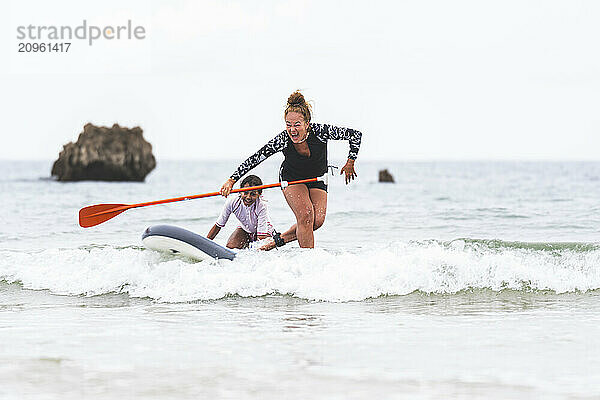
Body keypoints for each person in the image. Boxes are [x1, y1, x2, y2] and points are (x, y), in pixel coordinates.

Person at [219, 91, 362, 250]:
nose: (292, 129)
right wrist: (232, 179)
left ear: (307, 123)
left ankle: (275, 242)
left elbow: (355, 135)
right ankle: (308, 261)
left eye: (297, 124)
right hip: (292, 178)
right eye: (288, 124)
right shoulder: (283, 140)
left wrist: (350, 161)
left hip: (317, 178)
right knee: (306, 216)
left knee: (317, 221)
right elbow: (256, 158)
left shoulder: (322, 131)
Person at [207, 175, 275, 249]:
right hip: (245, 229)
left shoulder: (262, 205)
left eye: (253, 194)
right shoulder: (232, 202)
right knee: (231, 247)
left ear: (259, 194)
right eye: (245, 193)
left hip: (265, 232)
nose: (248, 197)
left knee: (262, 248)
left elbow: (261, 237)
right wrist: (205, 244)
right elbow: (218, 225)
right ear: (240, 191)